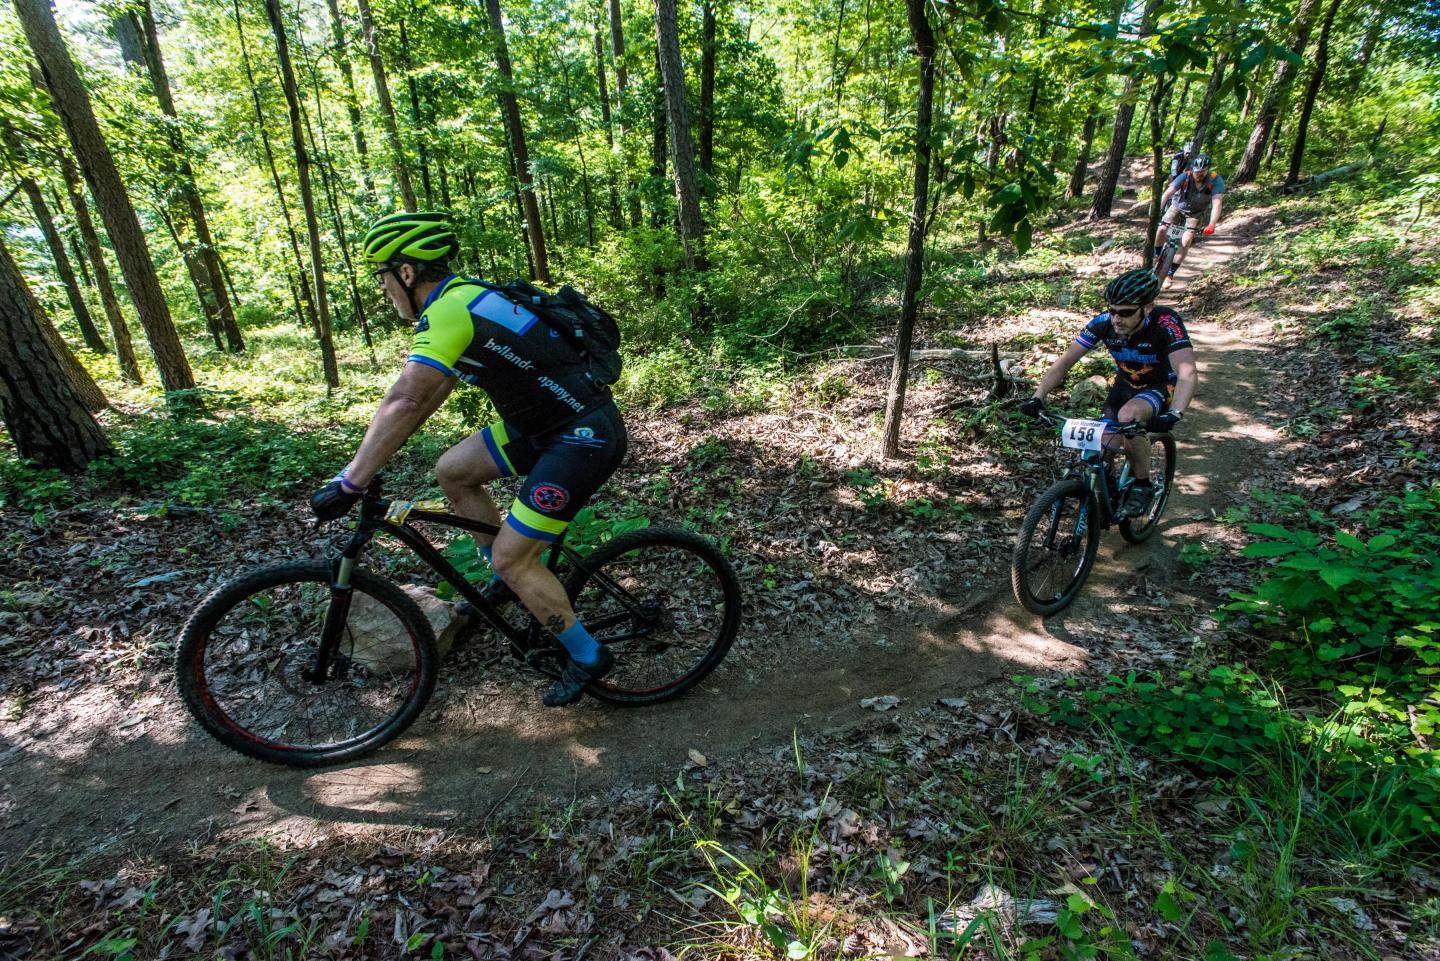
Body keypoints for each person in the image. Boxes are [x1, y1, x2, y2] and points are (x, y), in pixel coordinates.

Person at [310, 211, 628, 707]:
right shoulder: (464, 298)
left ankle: (587, 655)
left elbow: (406, 399)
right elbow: (429, 392)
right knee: (453, 471)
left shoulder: (450, 311)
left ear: (407, 272)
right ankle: (507, 580)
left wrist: (352, 481)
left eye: (383, 277)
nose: (383, 289)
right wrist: (373, 460)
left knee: (513, 555)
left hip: (580, 436)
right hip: (543, 427)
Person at [1020, 269, 1198, 519]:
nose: (1116, 319)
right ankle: (1108, 494)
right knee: (1102, 448)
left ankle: (1142, 485)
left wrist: (1175, 413)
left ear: (1147, 308)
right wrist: (1038, 396)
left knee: (1129, 416)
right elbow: (1065, 362)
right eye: (1112, 310)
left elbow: (1187, 372)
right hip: (1125, 385)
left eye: (1125, 312)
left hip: (1161, 385)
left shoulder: (1166, 323)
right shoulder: (1102, 324)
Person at [1155, 154, 1225, 288]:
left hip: (1195, 213)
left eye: (1202, 171)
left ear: (1208, 170)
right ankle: (1156, 254)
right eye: (1197, 171)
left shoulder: (1215, 180)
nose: (1199, 174)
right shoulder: (1185, 176)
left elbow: (1217, 203)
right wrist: (1156, 212)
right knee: (1162, 229)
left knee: (1186, 241)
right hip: (1177, 207)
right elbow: (1167, 194)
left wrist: (1212, 224)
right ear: (1192, 169)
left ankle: (1170, 274)